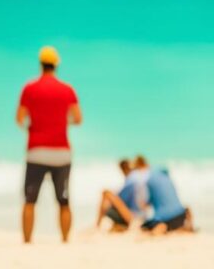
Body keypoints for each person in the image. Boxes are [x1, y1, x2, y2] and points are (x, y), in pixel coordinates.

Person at [16, 46, 82, 243]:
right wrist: (61, 123)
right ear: (56, 65)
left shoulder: (29, 88)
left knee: (29, 201)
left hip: (36, 150)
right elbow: (78, 119)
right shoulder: (67, 89)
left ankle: (27, 242)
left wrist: (35, 126)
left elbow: (20, 119)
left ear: (40, 64)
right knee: (64, 201)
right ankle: (65, 241)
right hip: (61, 152)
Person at [135, 156, 195, 235]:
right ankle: (184, 225)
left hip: (166, 219)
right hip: (181, 215)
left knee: (144, 227)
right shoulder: (163, 173)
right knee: (181, 210)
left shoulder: (147, 179)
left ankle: (161, 227)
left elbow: (146, 204)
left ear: (139, 167)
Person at [96, 159, 145, 232]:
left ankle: (97, 224)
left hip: (132, 216)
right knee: (108, 198)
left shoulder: (131, 180)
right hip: (140, 213)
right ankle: (105, 224)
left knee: (106, 193)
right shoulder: (137, 178)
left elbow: (121, 200)